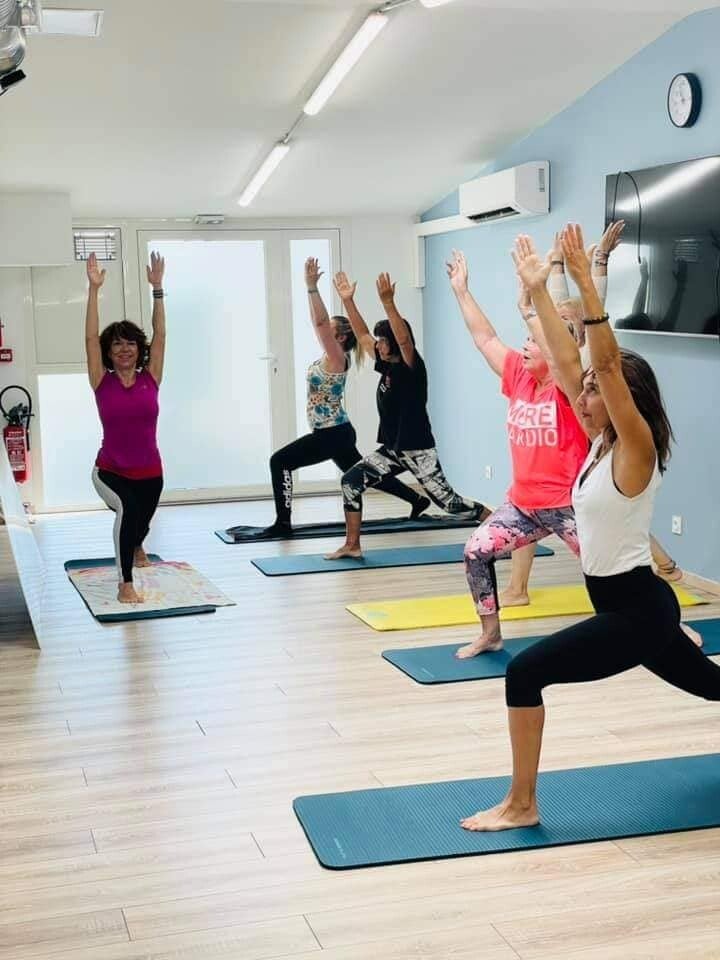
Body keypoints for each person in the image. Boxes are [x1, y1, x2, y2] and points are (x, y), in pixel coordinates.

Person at [460, 225, 720, 834]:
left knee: (525, 672)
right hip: (636, 605)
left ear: (625, 399)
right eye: (581, 391)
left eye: (594, 392)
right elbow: (569, 361)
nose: (581, 397)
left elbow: (600, 362)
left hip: (636, 611)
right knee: (713, 688)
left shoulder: (635, 448)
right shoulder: (599, 441)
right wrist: (538, 293)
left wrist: (585, 279)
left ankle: (522, 804)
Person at [447, 249, 588, 658]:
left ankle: (672, 627)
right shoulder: (519, 376)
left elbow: (560, 355)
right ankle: (491, 633)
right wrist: (462, 291)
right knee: (475, 551)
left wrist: (532, 308)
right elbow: (485, 338)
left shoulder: (570, 386)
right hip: (524, 506)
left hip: (570, 506)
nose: (525, 346)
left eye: (533, 340)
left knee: (617, 568)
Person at [261, 258, 428, 538]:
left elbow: (319, 322)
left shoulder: (337, 358)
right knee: (364, 474)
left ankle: (283, 523)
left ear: (338, 338)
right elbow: (327, 326)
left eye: (329, 330)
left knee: (279, 462)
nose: (322, 331)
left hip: (331, 434)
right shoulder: (331, 357)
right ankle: (417, 499)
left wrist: (312, 288)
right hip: (337, 432)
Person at [326, 270, 488, 559]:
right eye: (378, 340)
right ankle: (352, 545)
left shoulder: (411, 367)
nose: (377, 344)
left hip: (418, 450)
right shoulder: (386, 364)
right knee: (351, 481)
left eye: (383, 340)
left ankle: (499, 523)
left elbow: (404, 343)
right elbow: (362, 335)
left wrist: (389, 303)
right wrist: (348, 301)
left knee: (450, 504)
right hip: (393, 449)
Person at [85, 251, 166, 603]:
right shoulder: (101, 380)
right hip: (110, 471)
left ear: (139, 349)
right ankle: (125, 584)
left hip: (151, 472)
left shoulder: (151, 377)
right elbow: (90, 338)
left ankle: (136, 544)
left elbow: (160, 335)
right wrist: (93, 290)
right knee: (128, 511)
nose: (124, 349)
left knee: (140, 524)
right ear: (108, 351)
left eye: (130, 343)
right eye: (117, 344)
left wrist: (157, 289)